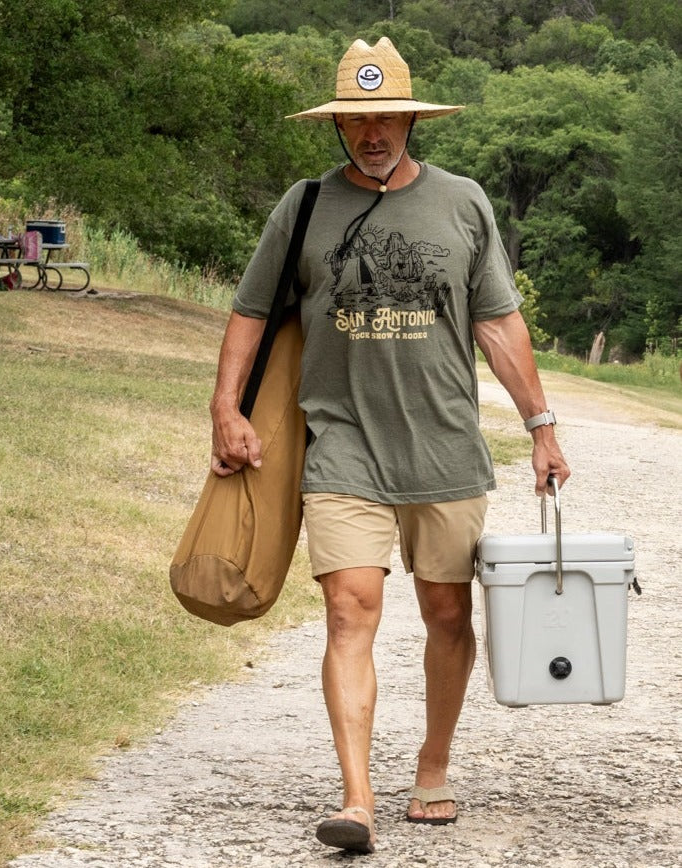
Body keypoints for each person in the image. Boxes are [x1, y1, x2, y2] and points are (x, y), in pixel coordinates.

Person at [209, 37, 570, 854]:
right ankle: (358, 798)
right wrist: (224, 409)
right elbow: (251, 312)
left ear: (410, 119)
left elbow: (498, 324)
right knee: (348, 611)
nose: (372, 132)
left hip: (444, 450)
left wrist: (540, 425)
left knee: (446, 612)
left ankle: (433, 764)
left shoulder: (464, 203)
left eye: (386, 117)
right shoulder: (302, 207)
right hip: (343, 449)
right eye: (356, 120)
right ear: (338, 127)